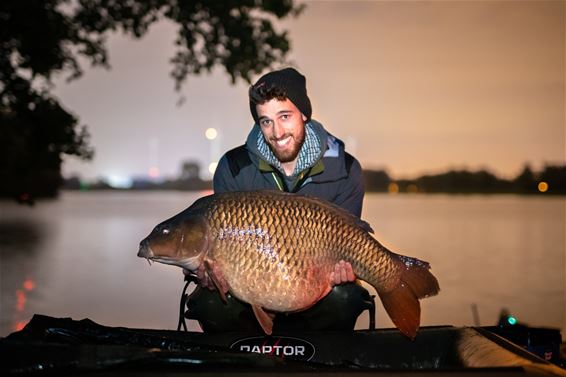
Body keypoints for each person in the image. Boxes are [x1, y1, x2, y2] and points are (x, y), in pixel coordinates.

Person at [183, 67, 374, 333]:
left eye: (285, 116)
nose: (277, 132)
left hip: (315, 289)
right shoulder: (234, 167)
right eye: (266, 121)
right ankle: (239, 361)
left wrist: (345, 272)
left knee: (347, 298)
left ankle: (320, 361)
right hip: (247, 293)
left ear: (304, 114)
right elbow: (219, 242)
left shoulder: (345, 169)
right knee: (208, 303)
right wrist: (207, 273)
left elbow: (350, 239)